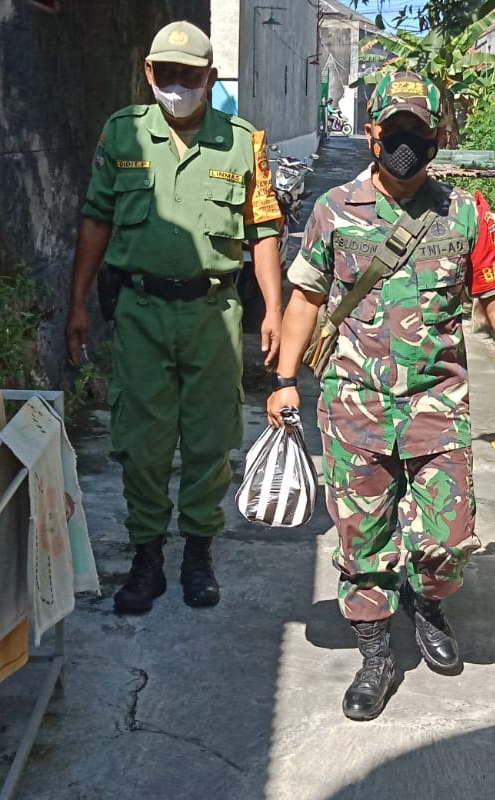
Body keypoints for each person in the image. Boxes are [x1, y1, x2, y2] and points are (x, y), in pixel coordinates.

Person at [267, 71, 495, 720]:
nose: (405, 142)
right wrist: (284, 379)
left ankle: (428, 600)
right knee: (362, 544)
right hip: (352, 410)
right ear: (372, 132)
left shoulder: (466, 213)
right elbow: (306, 298)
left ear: (436, 136)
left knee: (447, 540)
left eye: (417, 131)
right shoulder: (333, 211)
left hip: (437, 410)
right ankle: (375, 655)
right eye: (394, 130)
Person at [65, 20, 283, 615]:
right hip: (139, 312)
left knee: (212, 439)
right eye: (166, 74)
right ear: (149, 73)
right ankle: (146, 558)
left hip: (214, 312)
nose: (177, 86)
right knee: (141, 440)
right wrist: (78, 303)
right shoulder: (123, 135)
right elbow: (95, 220)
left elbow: (263, 230)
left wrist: (275, 311)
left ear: (211, 78)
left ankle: (198, 555)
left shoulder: (243, 143)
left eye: (190, 76)